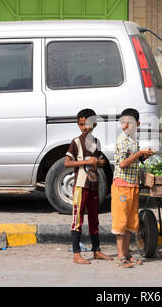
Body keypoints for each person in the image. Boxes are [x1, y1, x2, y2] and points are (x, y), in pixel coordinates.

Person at [65, 108, 113, 264]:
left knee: (94, 219)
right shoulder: (76, 142)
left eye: (87, 124)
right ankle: (76, 254)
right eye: (81, 124)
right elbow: (67, 162)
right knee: (77, 219)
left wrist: (100, 163)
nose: (84, 127)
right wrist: (86, 161)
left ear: (95, 124)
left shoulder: (95, 142)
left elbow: (98, 160)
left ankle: (96, 250)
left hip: (93, 185)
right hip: (80, 186)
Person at [111, 108, 153, 268]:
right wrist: (138, 154)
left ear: (138, 124)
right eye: (123, 123)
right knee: (121, 222)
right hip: (122, 185)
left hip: (133, 185)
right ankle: (121, 255)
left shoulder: (134, 140)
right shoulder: (122, 140)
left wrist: (143, 155)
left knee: (130, 222)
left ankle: (127, 253)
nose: (125, 126)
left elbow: (134, 160)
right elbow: (122, 163)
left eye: (129, 123)